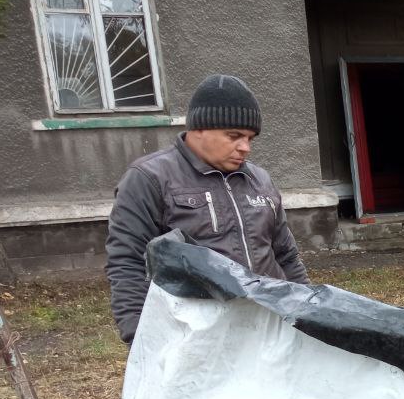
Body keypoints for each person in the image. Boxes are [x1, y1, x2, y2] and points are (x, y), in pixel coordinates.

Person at [105, 73, 309, 344]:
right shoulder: (149, 178)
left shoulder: (260, 180)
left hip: (268, 329)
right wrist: (140, 338)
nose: (245, 147)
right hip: (198, 337)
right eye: (234, 136)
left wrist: (308, 312)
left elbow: (286, 255)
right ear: (198, 128)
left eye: (250, 138)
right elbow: (128, 263)